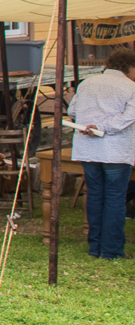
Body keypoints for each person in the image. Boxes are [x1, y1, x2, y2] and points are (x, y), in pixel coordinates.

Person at [69, 46, 135, 259]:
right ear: (129, 67)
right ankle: (111, 250)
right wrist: (102, 127)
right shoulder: (130, 87)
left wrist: (91, 123)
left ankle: (95, 247)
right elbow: (128, 117)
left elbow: (72, 111)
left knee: (95, 195)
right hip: (115, 149)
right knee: (115, 198)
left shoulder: (87, 83)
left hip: (88, 148)